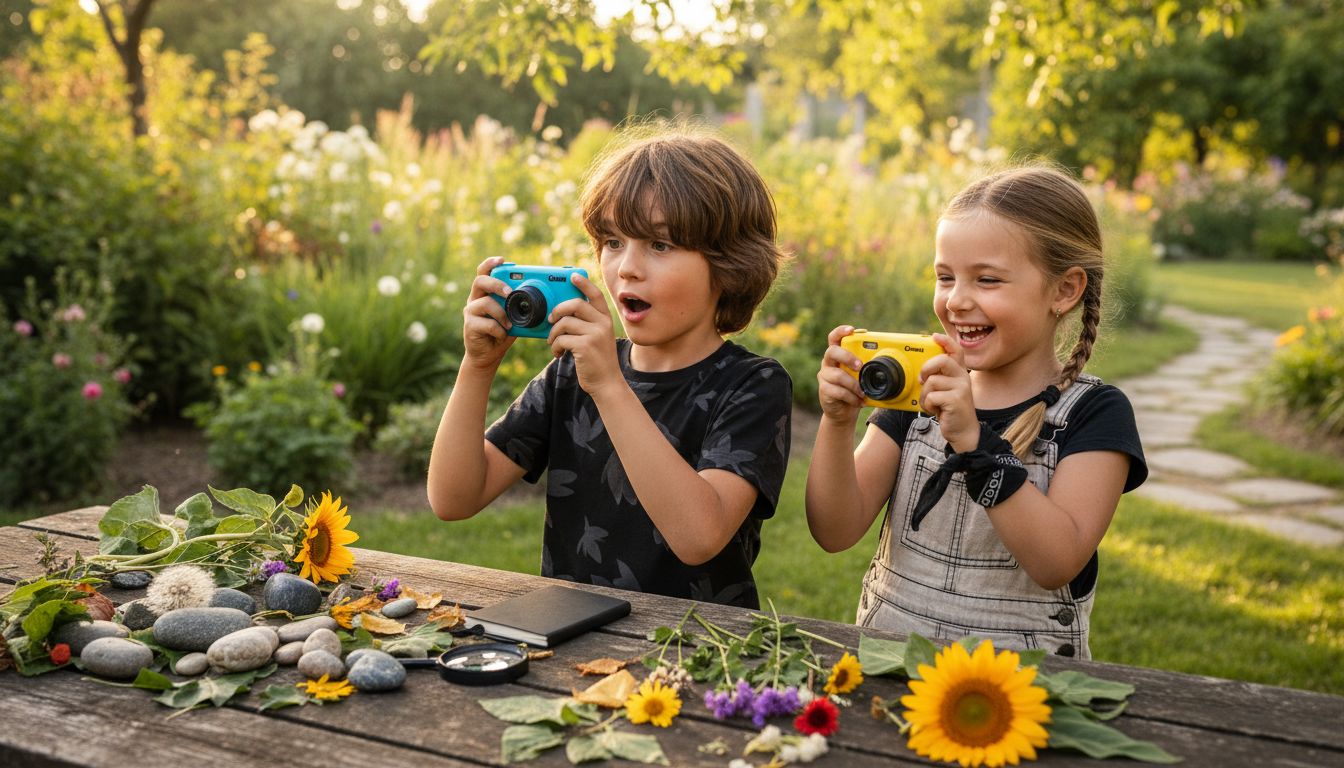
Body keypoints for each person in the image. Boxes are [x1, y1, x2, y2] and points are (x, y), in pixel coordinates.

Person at [427, 130, 792, 609]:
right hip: (574, 637)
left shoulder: (753, 385)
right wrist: (477, 366)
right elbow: (454, 498)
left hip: (696, 650)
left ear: (731, 265)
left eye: (659, 244)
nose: (627, 268)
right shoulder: (568, 376)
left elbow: (700, 536)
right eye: (614, 241)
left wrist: (607, 386)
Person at [805, 165, 1146, 658]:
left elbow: (1056, 561)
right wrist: (836, 423)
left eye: (987, 280)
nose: (957, 300)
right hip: (890, 661)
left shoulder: (1095, 414)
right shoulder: (919, 393)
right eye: (945, 277)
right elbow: (834, 530)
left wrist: (975, 443)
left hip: (1020, 687)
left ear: (1064, 290)